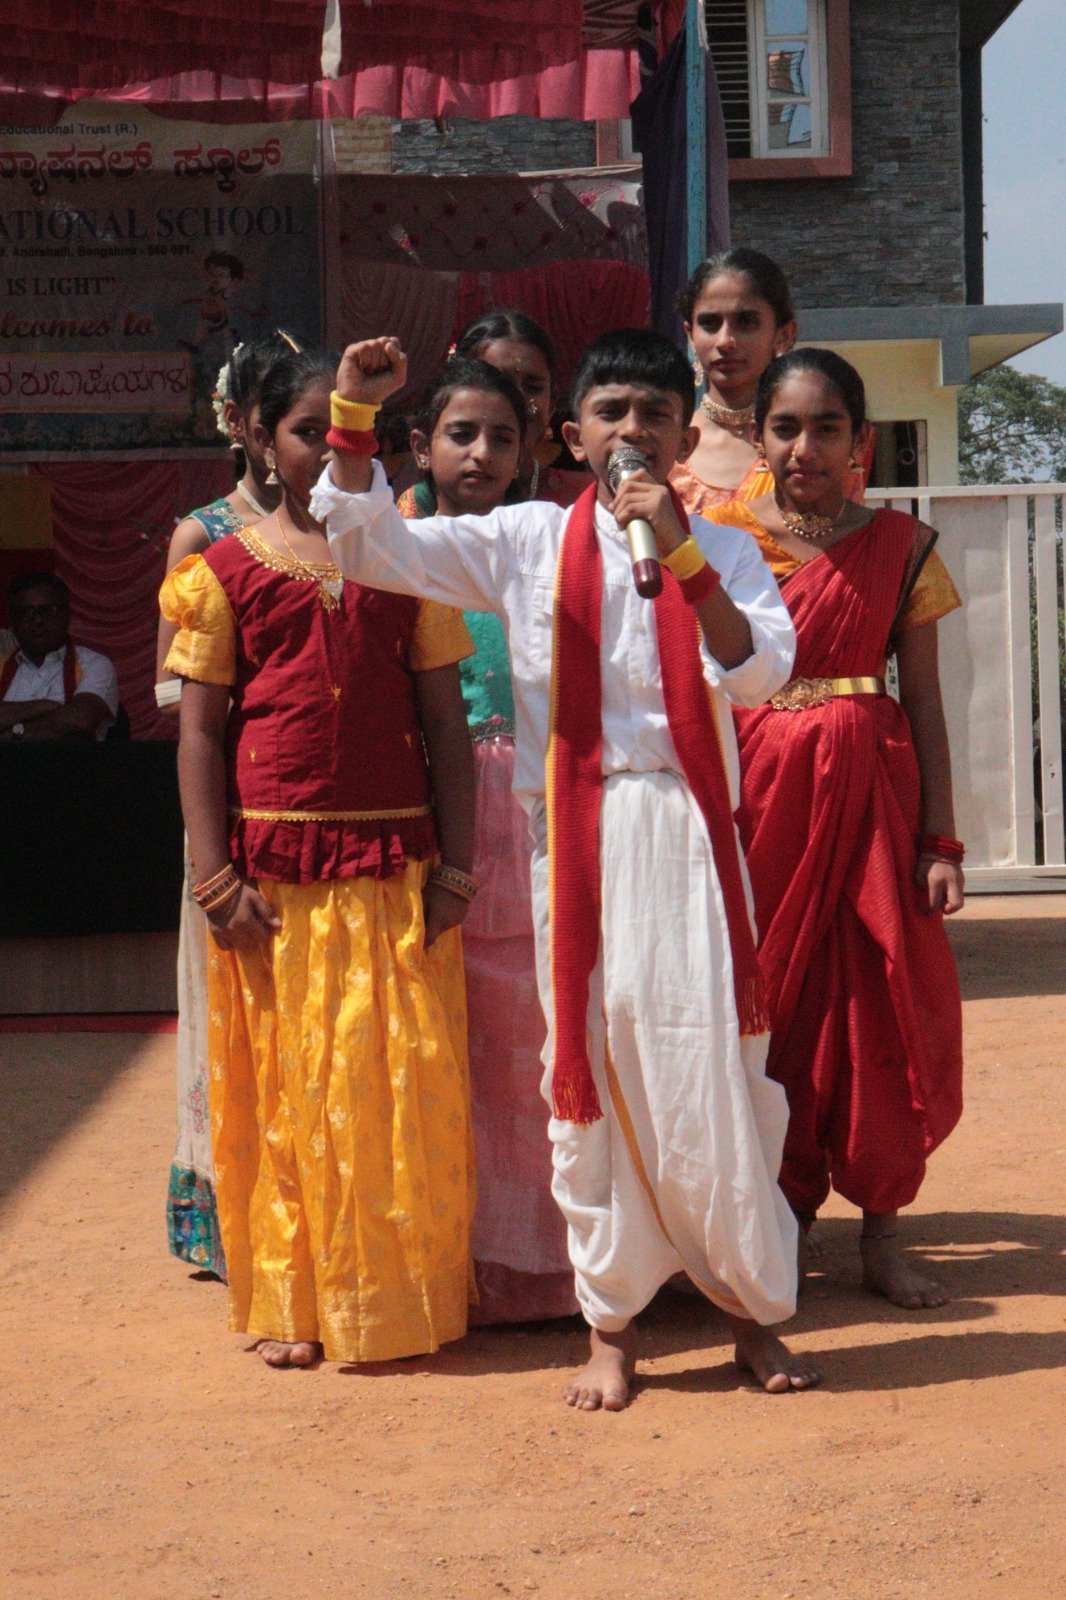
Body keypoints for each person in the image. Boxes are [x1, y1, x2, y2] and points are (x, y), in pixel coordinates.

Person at [312, 328, 824, 1408]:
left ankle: (749, 1314)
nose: (632, 431)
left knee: (710, 1068)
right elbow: (365, 547)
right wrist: (354, 418)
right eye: (611, 413)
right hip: (577, 842)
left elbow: (758, 675)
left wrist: (679, 553)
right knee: (584, 1064)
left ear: (684, 435)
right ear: (570, 435)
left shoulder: (723, 548)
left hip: (688, 836)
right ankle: (613, 1327)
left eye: (654, 415)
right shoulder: (527, 539)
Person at [160, 347, 477, 1368]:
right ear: (260, 439)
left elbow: (446, 725)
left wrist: (457, 869)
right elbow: (199, 734)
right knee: (292, 1089)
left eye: (356, 434)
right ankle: (295, 1298)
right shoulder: (222, 573)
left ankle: (394, 1296)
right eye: (310, 432)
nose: (334, 451)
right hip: (273, 885)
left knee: (395, 1085)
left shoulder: (409, 566)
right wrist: (214, 878)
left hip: (394, 872)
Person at [705, 348, 965, 1310]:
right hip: (759, 796)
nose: (804, 447)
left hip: (872, 803)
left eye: (827, 428)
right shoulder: (718, 542)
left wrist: (941, 843)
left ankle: (883, 1233)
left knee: (879, 1005)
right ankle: (784, 1228)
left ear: (862, 440)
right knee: (772, 1005)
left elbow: (925, 701)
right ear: (757, 436)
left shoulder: (904, 546)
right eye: (785, 427)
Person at [404, 355, 578, 1324]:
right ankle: (455, 1257)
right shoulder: (395, 549)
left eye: (501, 437)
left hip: (535, 801)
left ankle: (543, 1261)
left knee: (530, 1037)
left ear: (531, 449)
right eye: (460, 434)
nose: (479, 453)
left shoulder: (545, 543)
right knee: (448, 1039)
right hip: (435, 806)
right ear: (419, 445)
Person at [156, 332, 298, 1280]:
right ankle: (231, 1216)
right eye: (270, 413)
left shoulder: (348, 519)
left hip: (325, 805)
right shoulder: (204, 535)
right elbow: (177, 696)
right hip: (234, 797)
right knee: (228, 1004)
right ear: (239, 423)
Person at [671, 249, 871, 519]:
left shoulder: (818, 444)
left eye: (746, 322)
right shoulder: (667, 445)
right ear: (690, 334)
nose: (725, 341)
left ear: (784, 334)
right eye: (709, 323)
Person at [452, 310, 590, 508]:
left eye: (533, 387)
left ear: (552, 403)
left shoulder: (584, 499)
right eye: (500, 384)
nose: (518, 401)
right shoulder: (426, 505)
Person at [0, 572, 118, 742]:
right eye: (26, 612)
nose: (37, 620)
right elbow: (64, 722)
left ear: (67, 615)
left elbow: (79, 722)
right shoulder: (2, 665)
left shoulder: (94, 664)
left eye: (48, 611)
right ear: (13, 620)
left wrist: (12, 733)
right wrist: (45, 705)